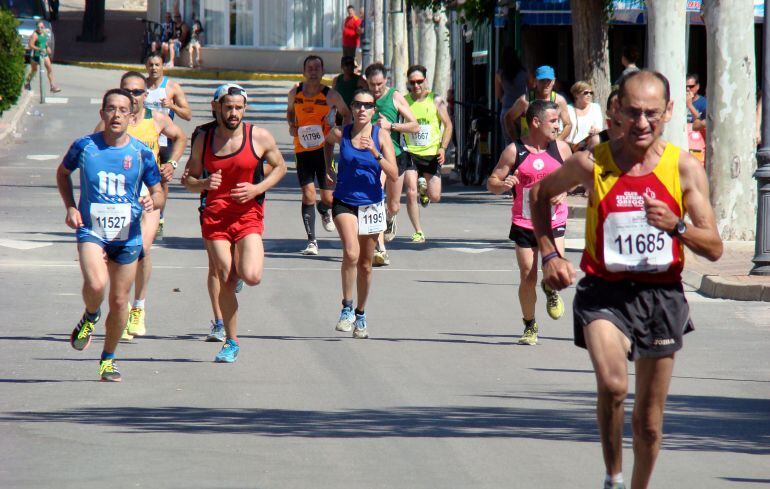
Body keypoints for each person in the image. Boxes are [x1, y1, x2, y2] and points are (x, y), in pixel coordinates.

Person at [529, 70, 723, 489]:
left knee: (649, 424)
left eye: (652, 114)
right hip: (605, 293)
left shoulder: (684, 169)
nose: (642, 123)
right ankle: (613, 477)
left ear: (669, 112)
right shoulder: (590, 163)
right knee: (615, 385)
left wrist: (678, 227)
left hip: (661, 296)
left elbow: (714, 248)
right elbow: (539, 195)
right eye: (633, 112)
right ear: (615, 110)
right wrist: (549, 254)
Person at [57, 88, 164, 382]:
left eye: (122, 110)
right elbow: (62, 174)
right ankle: (91, 315)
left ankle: (108, 359)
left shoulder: (141, 153)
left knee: (119, 302)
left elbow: (158, 193)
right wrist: (70, 207)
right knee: (95, 282)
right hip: (92, 229)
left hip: (127, 235)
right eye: (110, 109)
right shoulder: (85, 146)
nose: (116, 115)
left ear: (131, 116)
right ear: (102, 113)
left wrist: (152, 201)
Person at [182, 84, 287, 362]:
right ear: (217, 107)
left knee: (251, 276)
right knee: (225, 275)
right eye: (228, 107)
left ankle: (240, 272)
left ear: (244, 109)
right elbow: (188, 180)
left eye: (238, 107)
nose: (233, 112)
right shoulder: (204, 139)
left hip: (247, 215)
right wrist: (204, 182)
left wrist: (256, 188)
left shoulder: (259, 136)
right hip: (215, 216)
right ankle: (231, 341)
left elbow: (281, 167)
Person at [95, 71, 187, 341]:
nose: (132, 97)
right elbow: (92, 153)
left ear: (146, 95)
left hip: (149, 195)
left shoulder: (155, 119)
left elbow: (180, 137)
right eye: (127, 91)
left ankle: (139, 308)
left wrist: (171, 163)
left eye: (137, 92)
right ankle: (118, 306)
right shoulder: (109, 124)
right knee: (116, 256)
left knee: (142, 250)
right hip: (117, 200)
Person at [487, 99, 571, 345]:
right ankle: (530, 325)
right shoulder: (515, 151)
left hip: (554, 222)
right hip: (524, 222)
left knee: (555, 273)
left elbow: (576, 178)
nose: (558, 126)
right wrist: (502, 185)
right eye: (553, 121)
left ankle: (551, 289)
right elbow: (492, 181)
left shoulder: (562, 149)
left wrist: (565, 190)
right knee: (527, 276)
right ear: (536, 122)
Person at [324, 88, 398, 338]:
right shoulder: (341, 133)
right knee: (350, 252)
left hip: (372, 204)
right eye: (358, 105)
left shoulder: (381, 136)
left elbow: (395, 173)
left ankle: (361, 314)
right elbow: (327, 142)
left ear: (374, 110)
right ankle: (346, 307)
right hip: (344, 200)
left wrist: (375, 154)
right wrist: (328, 167)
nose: (362, 110)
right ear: (352, 108)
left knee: (366, 265)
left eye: (368, 105)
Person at [286, 55, 351, 255]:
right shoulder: (294, 93)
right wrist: (292, 125)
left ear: (322, 71)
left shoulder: (330, 95)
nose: (313, 71)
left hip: (324, 150)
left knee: (329, 199)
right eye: (310, 67)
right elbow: (289, 112)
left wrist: (344, 135)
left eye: (317, 67)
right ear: (304, 71)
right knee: (308, 194)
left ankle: (324, 210)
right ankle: (312, 241)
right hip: (302, 150)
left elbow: (347, 113)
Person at [365, 62, 419, 264]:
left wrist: (391, 126)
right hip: (372, 158)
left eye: (379, 84)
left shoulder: (395, 97)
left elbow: (414, 126)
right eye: (372, 85)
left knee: (393, 205)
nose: (376, 89)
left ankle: (390, 218)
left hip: (395, 156)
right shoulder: (364, 100)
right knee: (375, 198)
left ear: (386, 81)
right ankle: (380, 248)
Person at [401, 65, 453, 243]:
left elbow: (448, 125)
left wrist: (442, 148)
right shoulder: (404, 101)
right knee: (410, 191)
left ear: (425, 81)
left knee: (435, 196)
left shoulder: (436, 100)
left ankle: (425, 190)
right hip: (410, 152)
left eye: (419, 82)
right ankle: (418, 231)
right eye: (412, 82)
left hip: (431, 154)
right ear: (408, 82)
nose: (416, 86)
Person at [144, 52, 193, 237]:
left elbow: (188, 114)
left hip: (165, 141)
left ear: (163, 66)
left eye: (157, 64)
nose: (154, 68)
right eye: (151, 65)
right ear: (146, 67)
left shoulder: (171, 87)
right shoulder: (141, 87)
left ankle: (160, 217)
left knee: (162, 180)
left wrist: (172, 106)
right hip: (144, 140)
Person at [504, 65, 571, 142]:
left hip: (551, 146)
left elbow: (568, 124)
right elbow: (508, 118)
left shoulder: (559, 100)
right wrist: (517, 142)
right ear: (535, 81)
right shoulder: (525, 100)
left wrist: (558, 141)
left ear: (553, 81)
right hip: (529, 146)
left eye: (548, 80)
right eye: (542, 80)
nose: (545, 84)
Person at [495, 48, 528, 146]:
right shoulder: (524, 72)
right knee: (526, 140)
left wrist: (504, 100)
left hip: (507, 111)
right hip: (523, 112)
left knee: (510, 143)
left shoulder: (500, 74)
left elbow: (498, 94)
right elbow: (531, 88)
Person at [566, 80, 604, 152]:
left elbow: (599, 128)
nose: (589, 95)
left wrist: (595, 130)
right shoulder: (568, 109)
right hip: (571, 149)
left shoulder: (595, 107)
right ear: (576, 94)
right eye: (586, 93)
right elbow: (561, 131)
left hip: (590, 148)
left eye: (591, 93)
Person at [24, 21, 61, 93]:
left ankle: (52, 86)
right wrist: (38, 49)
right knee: (34, 70)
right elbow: (30, 45)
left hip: (44, 54)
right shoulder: (34, 35)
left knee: (49, 69)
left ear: (43, 27)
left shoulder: (44, 33)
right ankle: (27, 83)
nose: (40, 29)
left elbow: (44, 42)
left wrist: (47, 48)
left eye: (41, 27)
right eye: (38, 27)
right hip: (36, 55)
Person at [333, 56, 367, 125]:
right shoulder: (337, 79)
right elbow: (332, 96)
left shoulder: (359, 80)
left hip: (353, 115)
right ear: (342, 66)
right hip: (340, 115)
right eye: (347, 65)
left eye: (351, 65)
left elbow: (368, 93)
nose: (349, 67)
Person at [685, 74, 707, 164]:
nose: (688, 89)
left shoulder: (703, 103)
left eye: (691, 86)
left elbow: (702, 121)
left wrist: (690, 106)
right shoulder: (679, 100)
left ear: (697, 87)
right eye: (685, 87)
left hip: (698, 143)